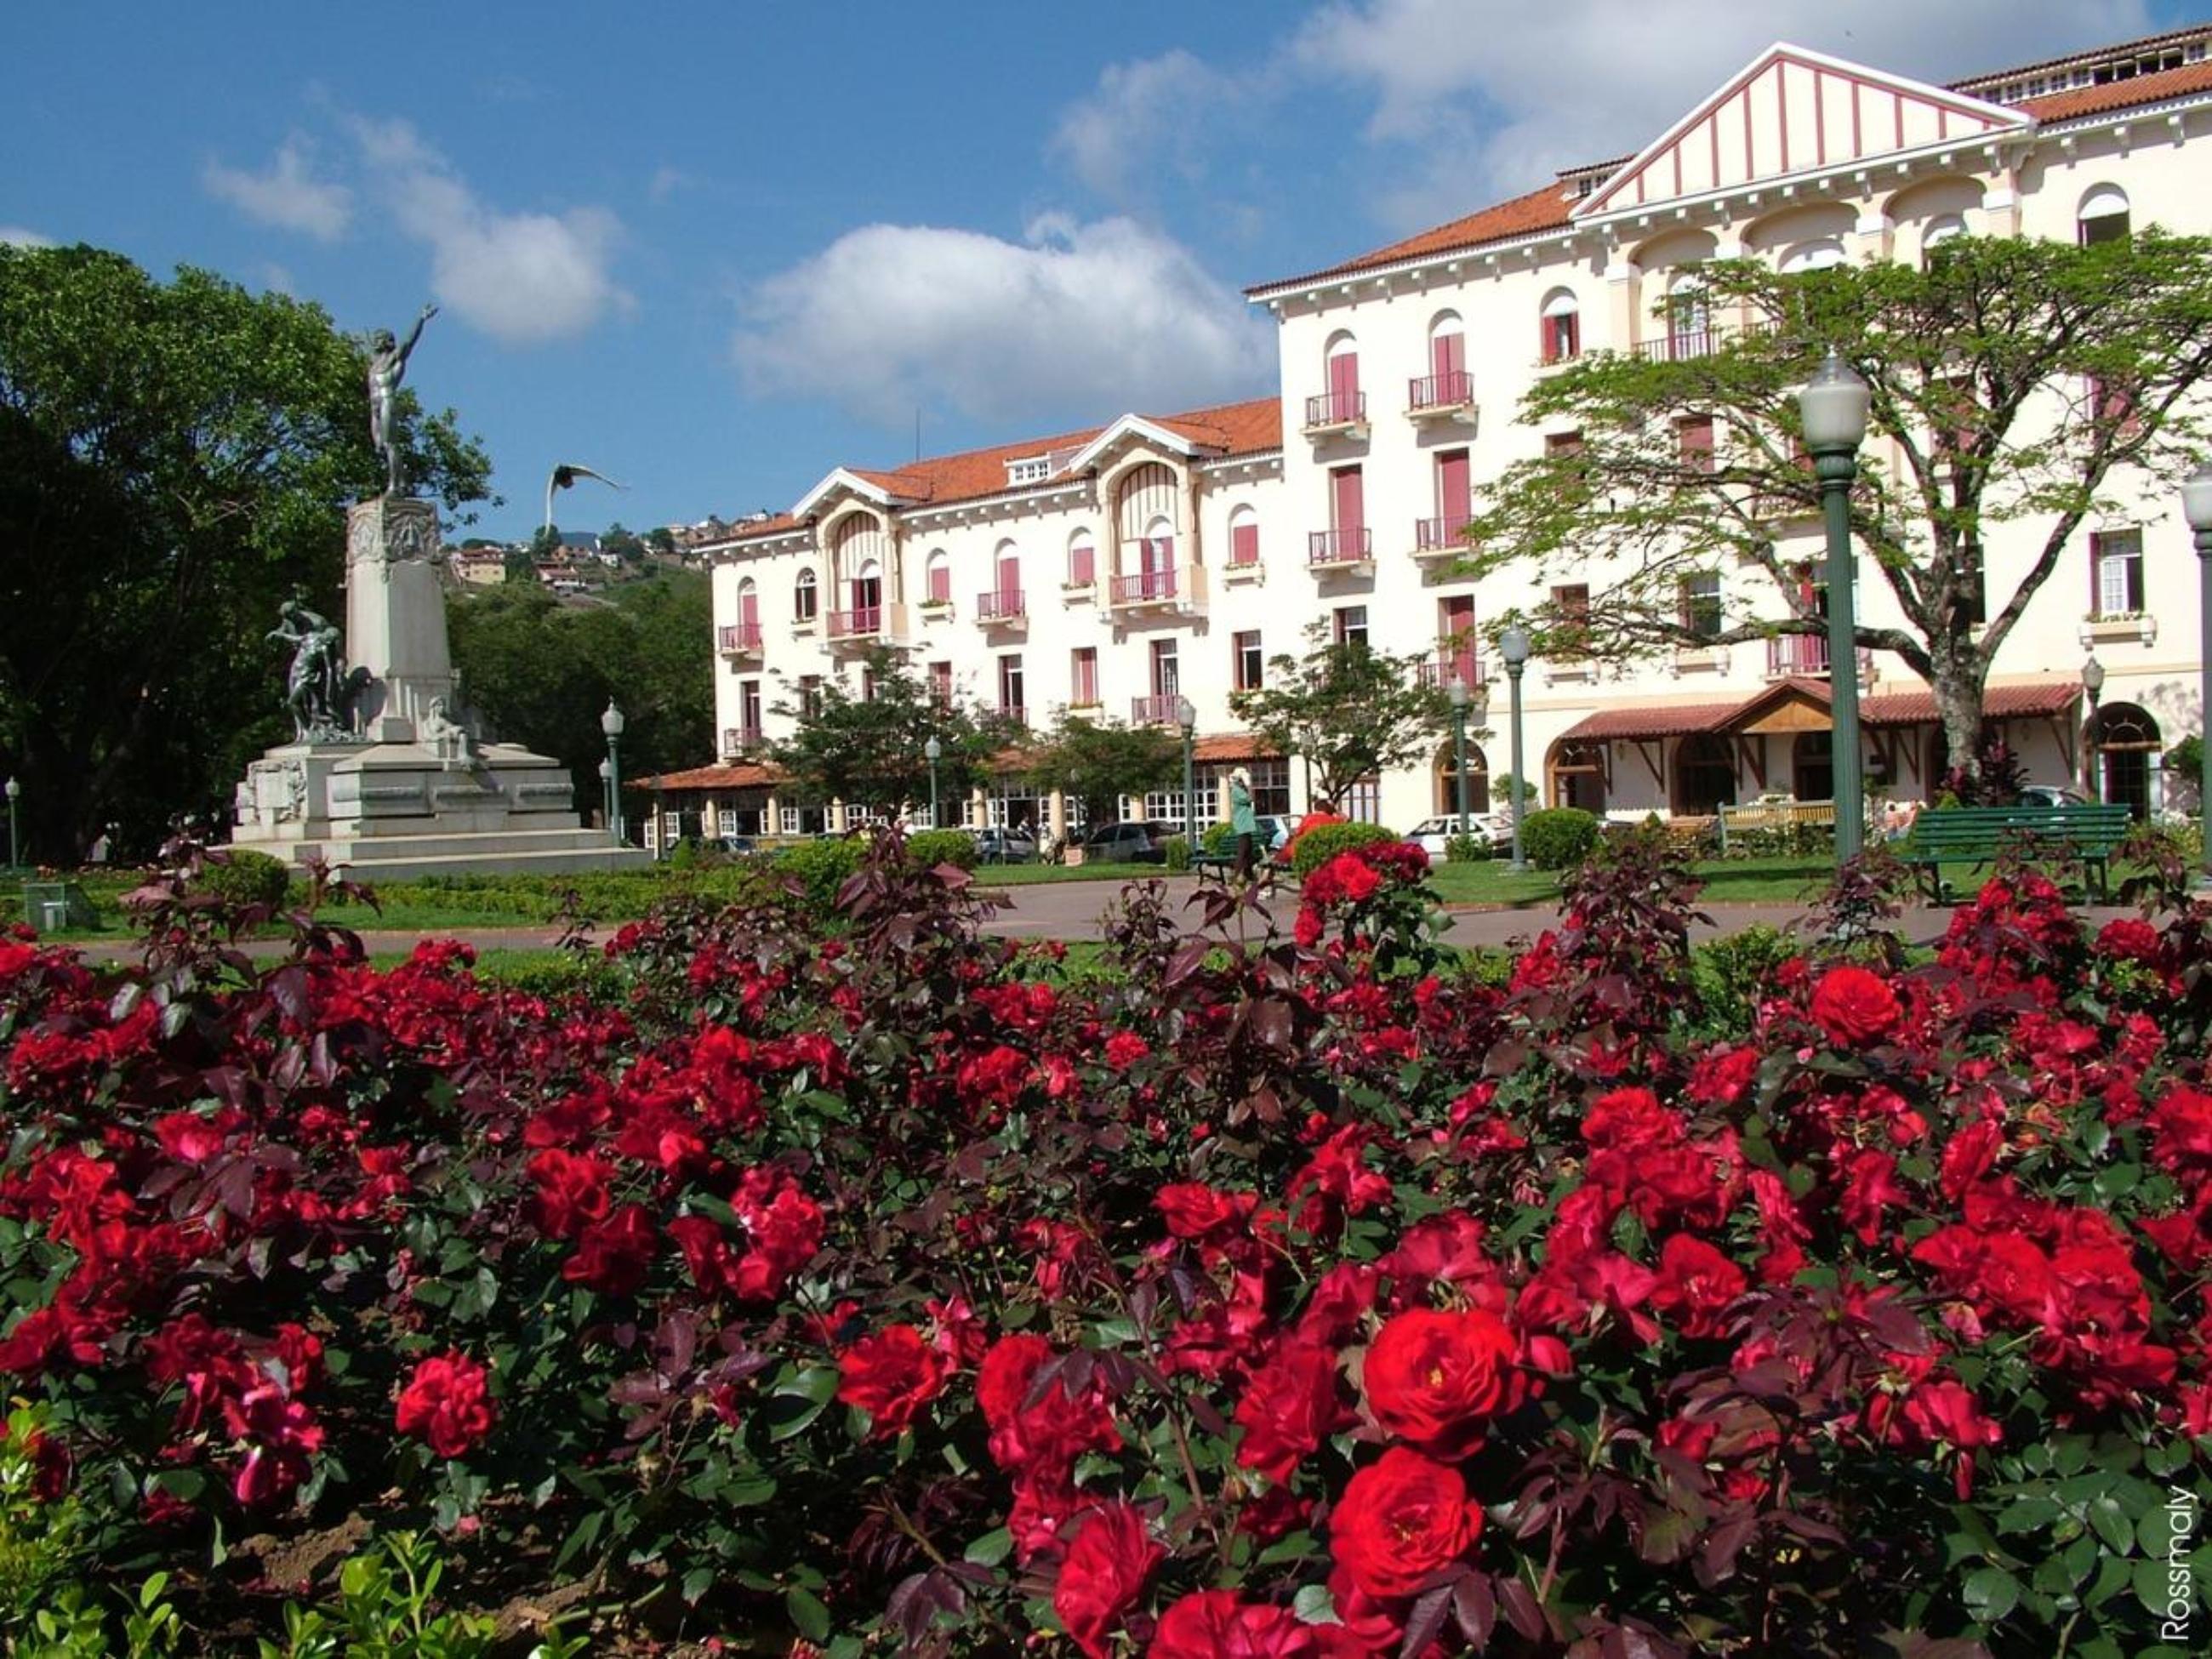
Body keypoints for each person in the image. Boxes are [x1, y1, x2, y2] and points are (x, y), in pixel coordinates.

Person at [368, 304, 437, 496]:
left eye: (379, 339)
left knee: (391, 444)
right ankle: (403, 482)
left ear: (388, 341)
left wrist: (421, 319)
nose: (375, 342)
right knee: (380, 446)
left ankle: (395, 485)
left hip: (386, 401)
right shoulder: (374, 364)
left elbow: (409, 342)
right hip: (374, 408)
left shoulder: (394, 359)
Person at [1229, 767, 1258, 877]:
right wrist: (1249, 785)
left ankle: (1248, 873)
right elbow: (1250, 798)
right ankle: (1237, 874)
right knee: (1243, 850)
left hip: (1246, 824)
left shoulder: (1240, 790)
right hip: (1242, 825)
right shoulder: (1236, 790)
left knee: (1248, 851)